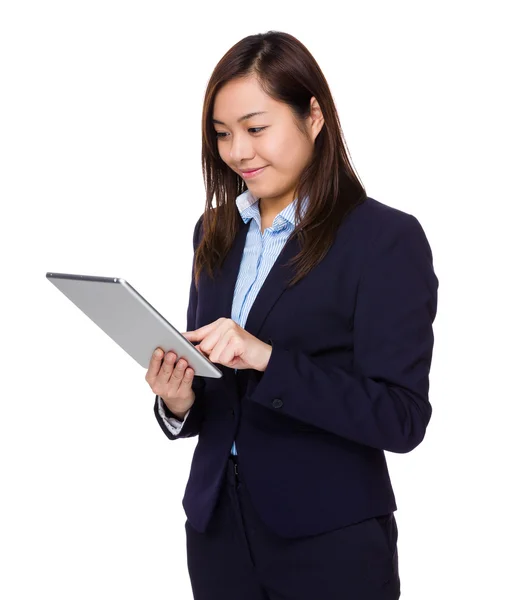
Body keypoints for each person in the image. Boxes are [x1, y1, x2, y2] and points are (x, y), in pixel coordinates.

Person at [145, 30, 439, 600]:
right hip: (218, 532)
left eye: (256, 128)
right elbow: (217, 399)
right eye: (223, 134)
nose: (238, 152)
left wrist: (265, 358)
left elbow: (402, 419)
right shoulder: (215, 231)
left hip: (329, 540)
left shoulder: (384, 239)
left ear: (314, 116)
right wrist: (178, 400)